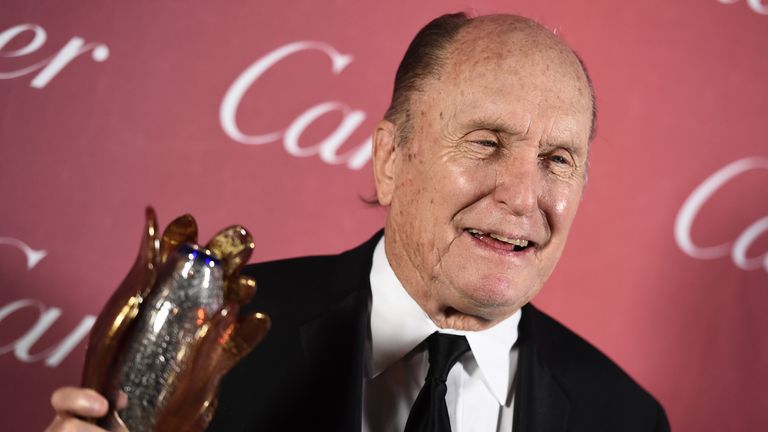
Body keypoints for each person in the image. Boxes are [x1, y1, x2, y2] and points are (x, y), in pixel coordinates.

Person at [46, 12, 670, 432]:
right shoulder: (208, 336)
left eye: (557, 161)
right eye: (485, 143)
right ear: (391, 159)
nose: (522, 195)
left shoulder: (625, 417)